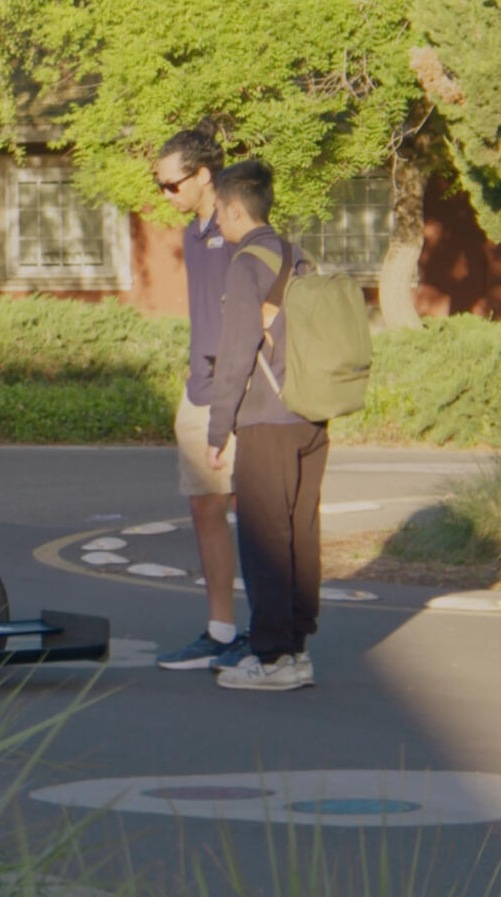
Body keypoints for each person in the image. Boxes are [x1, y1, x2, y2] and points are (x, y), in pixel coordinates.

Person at [203, 160, 329, 693]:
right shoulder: (299, 258)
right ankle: (296, 650)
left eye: (219, 213)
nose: (217, 224)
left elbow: (234, 356)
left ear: (234, 209)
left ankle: (271, 657)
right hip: (311, 415)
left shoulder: (244, 264)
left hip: (266, 420)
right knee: (300, 533)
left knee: (264, 538)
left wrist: (218, 429)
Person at [148, 131, 249, 673]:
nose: (166, 194)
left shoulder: (242, 230)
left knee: (252, 510)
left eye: (171, 184)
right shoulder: (193, 234)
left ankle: (271, 636)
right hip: (198, 390)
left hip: (238, 390)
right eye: (159, 185)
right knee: (204, 506)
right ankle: (220, 631)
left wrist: (235, 394)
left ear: (204, 174)